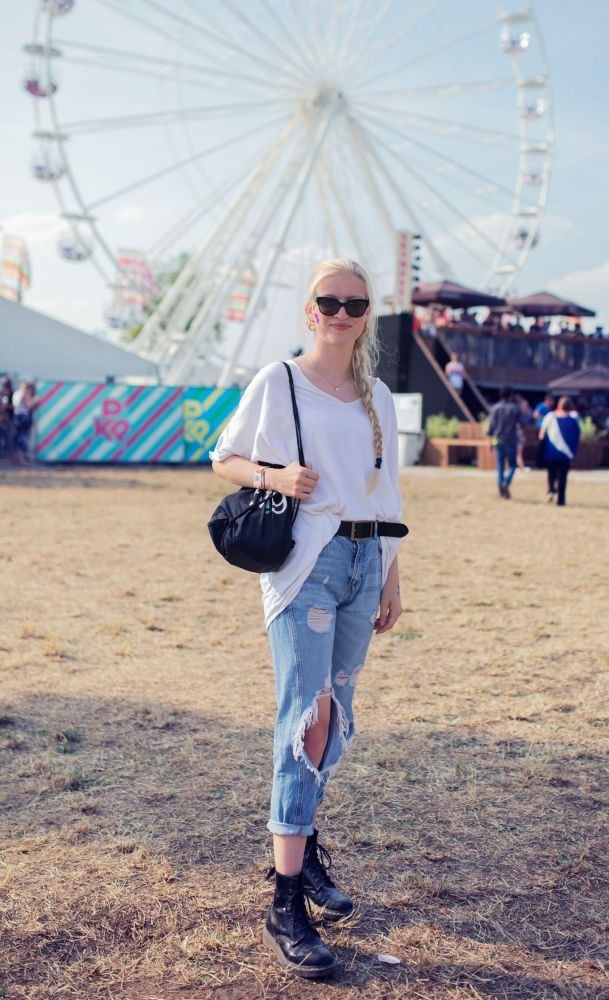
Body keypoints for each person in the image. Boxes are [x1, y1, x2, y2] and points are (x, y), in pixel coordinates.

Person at [210, 258, 406, 980]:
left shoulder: (377, 395)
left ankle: (306, 845)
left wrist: (392, 574)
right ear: (308, 310)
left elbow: (385, 492)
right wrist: (274, 476)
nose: (340, 313)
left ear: (365, 315)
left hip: (364, 561)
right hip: (308, 565)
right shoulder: (279, 381)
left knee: (337, 717)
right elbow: (222, 457)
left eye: (353, 304)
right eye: (328, 301)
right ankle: (285, 898)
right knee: (307, 717)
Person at [539, 396, 580, 506]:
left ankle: (551, 490)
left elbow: (541, 434)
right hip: (566, 453)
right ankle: (561, 500)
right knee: (563, 476)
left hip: (550, 451)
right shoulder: (573, 420)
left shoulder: (550, 417)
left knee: (551, 472)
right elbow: (576, 437)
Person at [487, 386, 521, 498]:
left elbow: (491, 427)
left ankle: (501, 489)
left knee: (500, 466)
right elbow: (519, 426)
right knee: (512, 465)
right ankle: (505, 483)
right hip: (511, 440)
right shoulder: (515, 408)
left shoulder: (494, 408)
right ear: (510, 395)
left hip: (497, 440)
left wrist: (490, 442)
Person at [12, 381, 38, 466]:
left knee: (17, 438)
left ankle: (16, 458)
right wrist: (35, 401)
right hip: (23, 418)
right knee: (23, 439)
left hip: (17, 417)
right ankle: (21, 459)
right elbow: (28, 406)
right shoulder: (23, 394)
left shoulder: (16, 393)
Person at [0, 377, 14, 458]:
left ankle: (6, 452)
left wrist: (7, 406)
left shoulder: (11, 394)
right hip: (3, 419)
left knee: (7, 437)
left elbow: (12, 406)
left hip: (7, 419)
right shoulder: (2, 394)